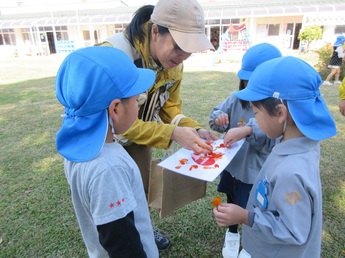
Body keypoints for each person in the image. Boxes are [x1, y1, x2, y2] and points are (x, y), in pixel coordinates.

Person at [97, 0, 218, 249]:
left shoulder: (175, 65)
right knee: (113, 197)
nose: (183, 57)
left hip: (143, 136)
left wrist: (194, 129)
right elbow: (116, 121)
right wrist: (173, 133)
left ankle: (144, 233)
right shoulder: (115, 56)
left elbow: (169, 107)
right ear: (156, 31)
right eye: (180, 47)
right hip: (104, 141)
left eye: (190, 50)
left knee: (140, 189)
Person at [213, 56, 336, 258]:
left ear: (280, 113)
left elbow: (292, 230)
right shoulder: (301, 143)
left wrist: (246, 217)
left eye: (256, 113)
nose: (255, 122)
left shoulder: (291, 172)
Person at [55, 46, 159, 258]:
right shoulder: (108, 170)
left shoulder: (77, 150)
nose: (139, 107)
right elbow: (124, 247)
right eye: (137, 100)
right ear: (116, 109)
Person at [209, 43, 282, 258]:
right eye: (247, 81)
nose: (250, 87)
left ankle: (250, 245)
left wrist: (248, 130)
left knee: (254, 210)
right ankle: (232, 235)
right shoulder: (236, 98)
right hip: (231, 168)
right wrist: (219, 120)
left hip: (255, 174)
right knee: (232, 199)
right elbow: (216, 115)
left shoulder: (278, 108)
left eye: (256, 83)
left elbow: (273, 140)